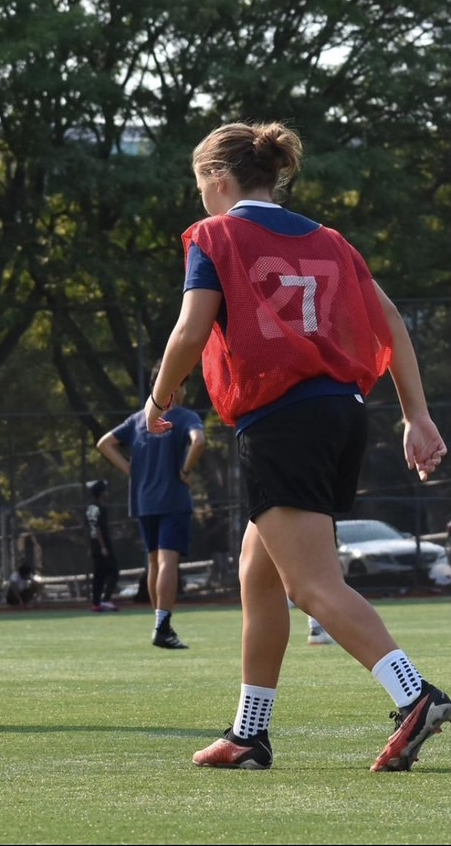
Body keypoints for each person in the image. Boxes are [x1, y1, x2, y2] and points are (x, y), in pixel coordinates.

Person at [143, 120, 449, 771]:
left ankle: (414, 696)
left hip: (280, 422)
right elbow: (389, 321)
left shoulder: (216, 236)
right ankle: (250, 733)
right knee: (260, 569)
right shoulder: (331, 241)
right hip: (341, 414)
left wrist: (158, 398)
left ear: (218, 181)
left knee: (312, 584)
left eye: (202, 186)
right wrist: (415, 415)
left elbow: (191, 332)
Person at [97, 359, 206, 649]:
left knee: (154, 561)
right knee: (168, 561)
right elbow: (199, 441)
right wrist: (185, 471)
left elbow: (104, 443)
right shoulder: (183, 416)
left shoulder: (138, 420)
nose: (184, 391)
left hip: (144, 501)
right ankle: (163, 625)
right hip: (173, 499)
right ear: (175, 386)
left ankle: (159, 625)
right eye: (182, 384)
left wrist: (131, 469)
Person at [85, 479, 120, 612]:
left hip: (93, 543)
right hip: (102, 542)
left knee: (98, 574)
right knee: (114, 570)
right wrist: (103, 546)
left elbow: (89, 528)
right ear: (101, 493)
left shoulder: (89, 508)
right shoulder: (101, 508)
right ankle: (106, 599)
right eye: (105, 490)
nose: (107, 493)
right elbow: (98, 528)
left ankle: (96, 603)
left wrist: (91, 545)